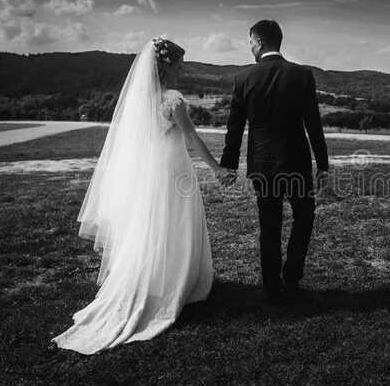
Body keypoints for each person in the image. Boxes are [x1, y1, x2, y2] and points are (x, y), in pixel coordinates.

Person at [54, 38, 221, 354]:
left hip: (151, 173)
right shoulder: (173, 100)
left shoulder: (140, 99)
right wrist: (217, 168)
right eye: (180, 66)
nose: (182, 72)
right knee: (176, 225)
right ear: (166, 66)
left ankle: (153, 276)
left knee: (153, 227)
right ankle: (174, 283)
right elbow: (192, 138)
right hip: (174, 172)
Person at [220, 19, 330, 300]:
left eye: (250, 43)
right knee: (304, 217)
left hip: (262, 164)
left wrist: (229, 166)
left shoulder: (243, 79)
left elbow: (235, 128)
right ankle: (291, 278)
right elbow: (313, 125)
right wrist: (323, 165)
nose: (249, 48)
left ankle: (271, 286)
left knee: (269, 224)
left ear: (258, 42)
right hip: (297, 162)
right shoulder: (302, 75)